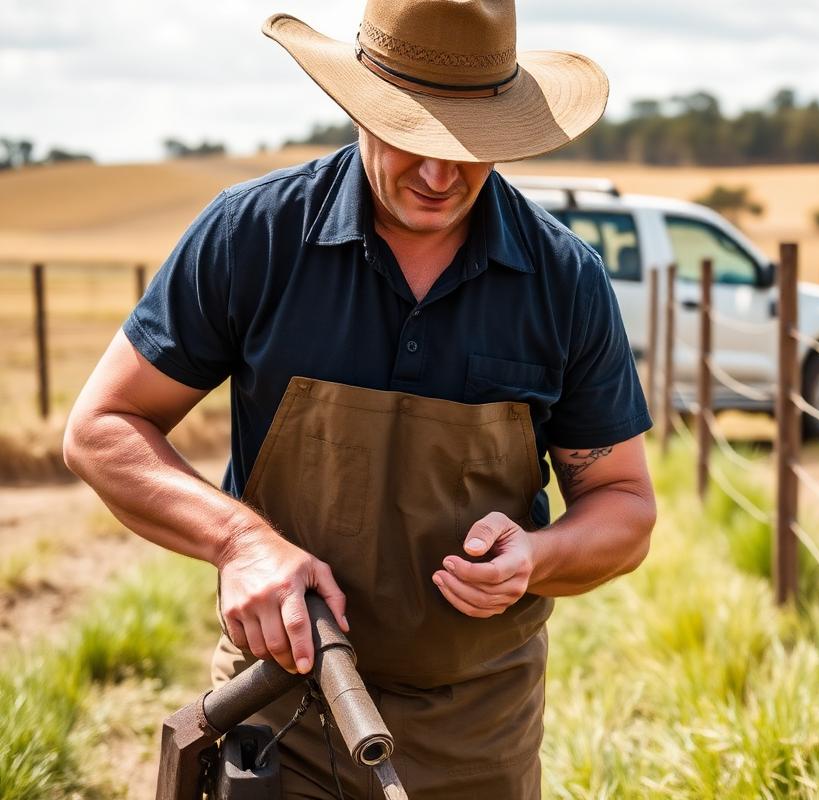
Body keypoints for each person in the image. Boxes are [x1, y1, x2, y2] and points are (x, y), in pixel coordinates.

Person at [62, 1, 655, 796]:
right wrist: (239, 542)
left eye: (468, 147)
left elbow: (623, 505)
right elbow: (103, 427)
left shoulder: (564, 280)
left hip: (474, 732)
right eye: (411, 137)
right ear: (359, 104)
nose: (439, 175)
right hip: (274, 710)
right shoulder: (252, 237)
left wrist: (536, 559)